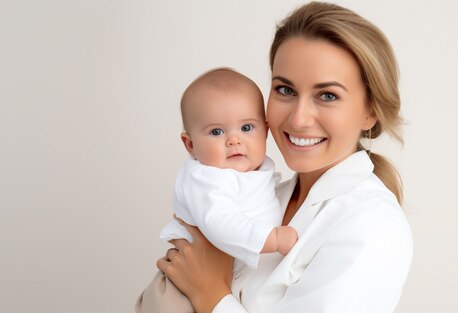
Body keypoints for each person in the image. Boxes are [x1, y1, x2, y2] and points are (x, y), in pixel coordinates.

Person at [145, 2, 413, 312]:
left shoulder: (373, 228)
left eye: (328, 96)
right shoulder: (269, 194)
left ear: (370, 112)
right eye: (285, 90)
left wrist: (210, 295)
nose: (298, 119)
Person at [136, 68, 298, 312]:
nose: (234, 140)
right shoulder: (207, 178)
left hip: (216, 281)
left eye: (246, 128)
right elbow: (220, 222)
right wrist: (272, 238)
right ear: (190, 144)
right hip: (179, 293)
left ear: (265, 131)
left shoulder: (255, 170)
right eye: (216, 132)